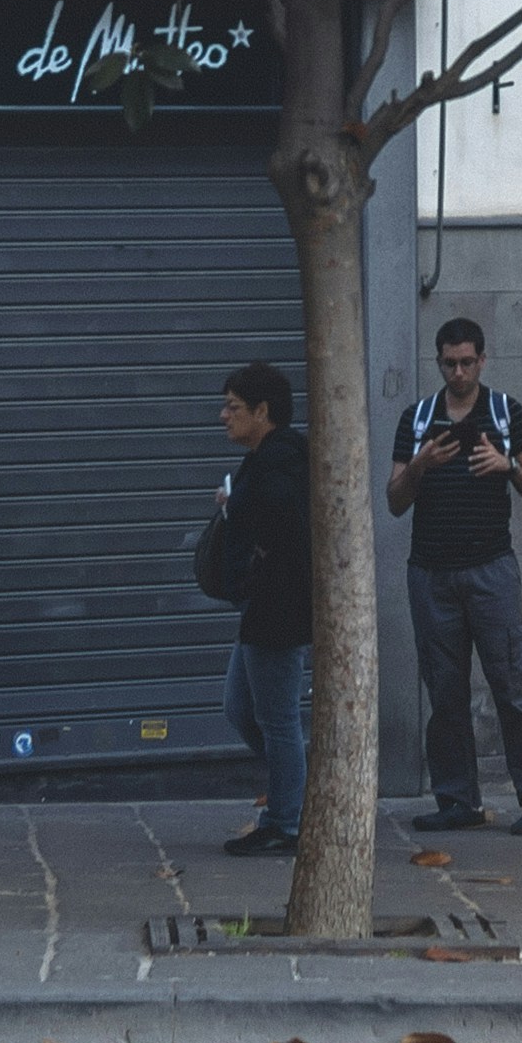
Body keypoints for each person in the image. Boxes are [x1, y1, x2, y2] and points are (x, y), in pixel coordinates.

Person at [386, 317, 522, 836]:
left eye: (467, 362)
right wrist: (420, 465)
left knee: (512, 685)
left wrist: (505, 466)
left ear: (482, 360)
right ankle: (458, 799)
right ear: (438, 362)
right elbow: (394, 501)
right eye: (449, 363)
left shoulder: (506, 413)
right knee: (445, 692)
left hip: (491, 573)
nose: (458, 372)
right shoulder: (417, 419)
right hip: (432, 575)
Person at [213, 361, 315, 855]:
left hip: (281, 607)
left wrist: (234, 508)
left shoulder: (283, 462)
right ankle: (298, 786)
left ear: (262, 411)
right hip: (264, 606)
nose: (223, 416)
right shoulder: (266, 457)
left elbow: (277, 521)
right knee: (240, 708)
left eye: (233, 407)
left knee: (276, 720)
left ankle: (287, 821)